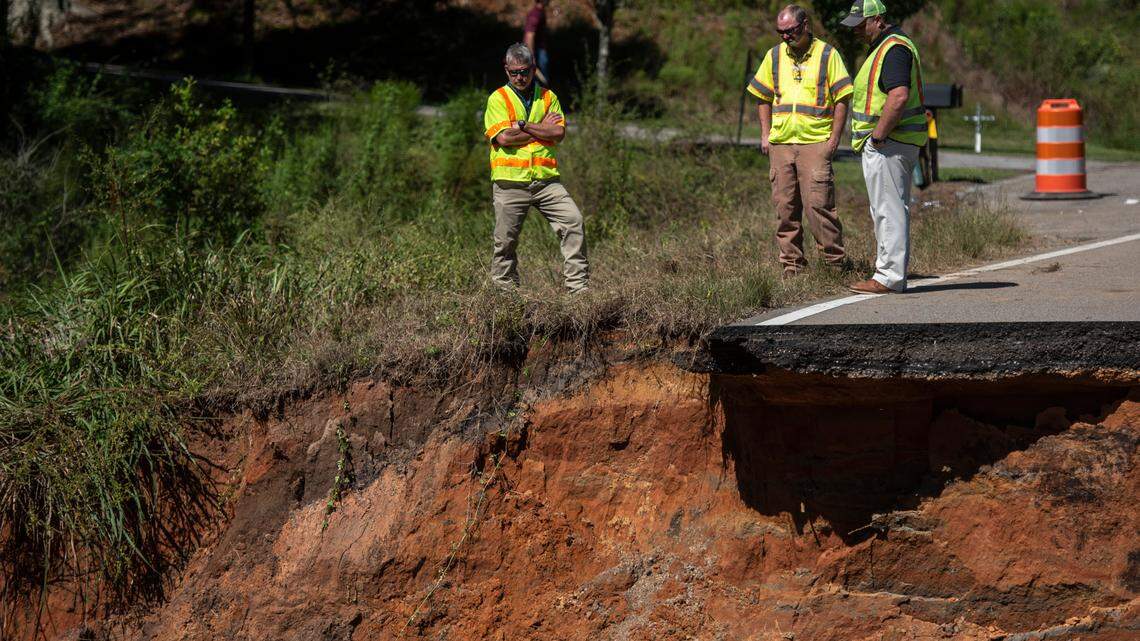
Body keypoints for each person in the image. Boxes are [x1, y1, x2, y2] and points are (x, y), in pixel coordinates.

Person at [747, 5, 854, 278]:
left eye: (790, 31)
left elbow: (842, 97)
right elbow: (762, 96)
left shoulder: (827, 54)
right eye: (780, 32)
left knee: (819, 206)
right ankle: (792, 268)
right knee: (785, 209)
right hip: (781, 143)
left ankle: (834, 266)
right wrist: (765, 135)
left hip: (816, 142)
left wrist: (833, 140)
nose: (785, 37)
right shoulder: (773, 56)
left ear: (805, 25)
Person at [483, 43, 588, 293]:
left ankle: (579, 291)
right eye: (514, 72)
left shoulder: (549, 97)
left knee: (574, 222)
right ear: (506, 70)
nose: (520, 77)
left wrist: (522, 126)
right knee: (505, 243)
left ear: (534, 68)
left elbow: (558, 132)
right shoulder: (497, 98)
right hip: (510, 183)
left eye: (525, 71)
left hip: (547, 181)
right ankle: (505, 298)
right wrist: (539, 128)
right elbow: (504, 138)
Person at [841, 0, 929, 294]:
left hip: (889, 143)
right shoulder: (888, 47)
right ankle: (889, 271)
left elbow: (899, 96)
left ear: (877, 19)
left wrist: (878, 136)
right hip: (892, 142)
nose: (856, 31)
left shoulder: (892, 48)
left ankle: (888, 277)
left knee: (888, 210)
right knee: (888, 208)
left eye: (860, 24)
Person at [524, 1, 550, 85]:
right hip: (537, 53)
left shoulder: (540, 12)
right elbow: (529, 35)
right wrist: (531, 56)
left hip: (540, 52)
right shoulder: (535, 14)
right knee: (538, 83)